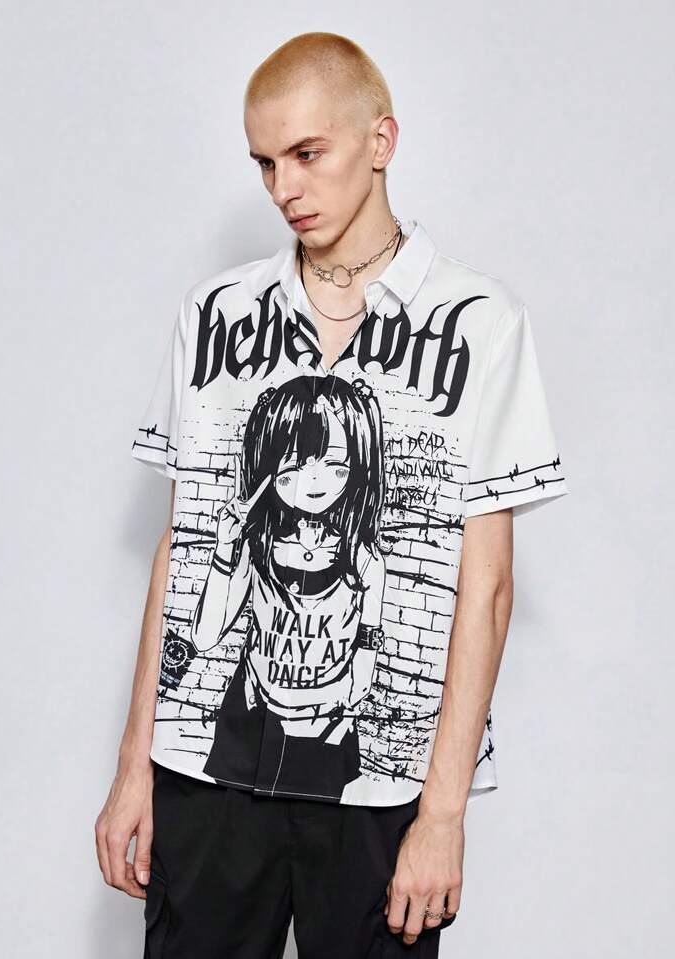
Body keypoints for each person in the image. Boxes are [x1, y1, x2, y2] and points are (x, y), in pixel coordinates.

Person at [95, 31, 570, 959]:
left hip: (380, 792)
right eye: (265, 162)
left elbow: (486, 588)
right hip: (208, 772)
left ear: (381, 139)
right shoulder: (215, 315)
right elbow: (180, 554)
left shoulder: (481, 323)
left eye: (307, 153)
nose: (284, 188)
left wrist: (444, 814)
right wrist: (133, 768)